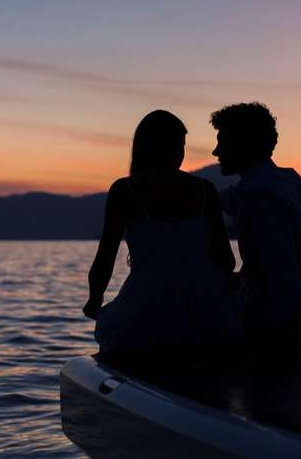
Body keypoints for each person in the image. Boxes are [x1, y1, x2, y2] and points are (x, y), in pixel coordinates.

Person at [83, 110, 242, 356]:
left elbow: (105, 258)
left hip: (146, 310)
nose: (181, 153)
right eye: (181, 146)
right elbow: (226, 260)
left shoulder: (124, 190)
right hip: (205, 311)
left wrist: (94, 301)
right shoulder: (204, 190)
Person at [210, 102, 301, 358]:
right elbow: (226, 199)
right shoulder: (289, 181)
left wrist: (294, 342)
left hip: (270, 324)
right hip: (295, 311)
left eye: (223, 142)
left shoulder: (259, 195)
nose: (215, 151)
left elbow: (283, 271)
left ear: (245, 143)